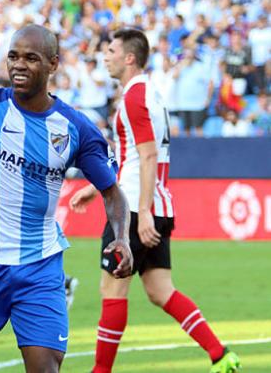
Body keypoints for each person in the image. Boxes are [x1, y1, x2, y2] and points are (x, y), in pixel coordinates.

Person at [0, 24, 133, 373]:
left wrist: (122, 237)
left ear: (53, 64)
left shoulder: (74, 128)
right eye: (13, 57)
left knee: (45, 367)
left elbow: (112, 192)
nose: (19, 65)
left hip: (40, 265)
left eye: (31, 58)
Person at [69, 28, 241, 373]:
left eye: (111, 50)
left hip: (134, 208)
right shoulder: (151, 95)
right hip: (157, 203)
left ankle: (100, 372)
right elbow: (135, 155)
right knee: (161, 290)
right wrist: (98, 186)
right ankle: (220, 356)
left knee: (112, 290)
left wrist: (142, 213)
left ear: (129, 57)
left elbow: (147, 157)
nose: (105, 56)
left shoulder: (134, 98)